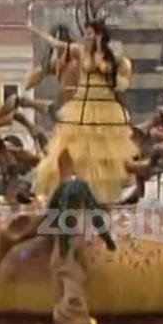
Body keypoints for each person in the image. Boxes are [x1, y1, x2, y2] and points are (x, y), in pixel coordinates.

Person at [28, 20, 137, 205]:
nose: (86, 36)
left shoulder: (111, 57)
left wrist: (106, 61)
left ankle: (102, 195)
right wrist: (37, 30)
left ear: (98, 35)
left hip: (104, 107)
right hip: (83, 105)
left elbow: (120, 78)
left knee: (103, 152)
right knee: (75, 147)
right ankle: (66, 190)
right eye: (85, 33)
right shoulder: (80, 51)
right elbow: (57, 45)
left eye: (89, 33)